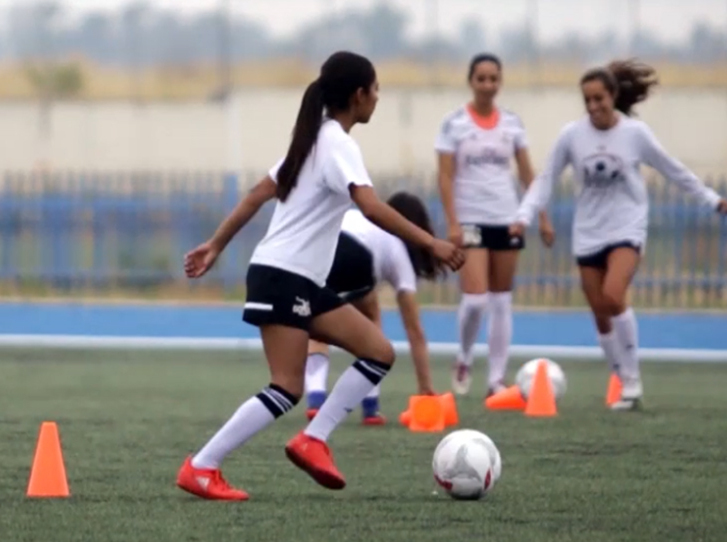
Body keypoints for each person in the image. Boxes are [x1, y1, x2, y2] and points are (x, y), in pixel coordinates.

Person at [176, 51, 465, 501]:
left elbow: (257, 194)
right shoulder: (337, 144)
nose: (377, 99)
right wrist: (431, 243)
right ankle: (202, 466)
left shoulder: (310, 140)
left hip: (299, 280)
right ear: (358, 94)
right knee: (287, 386)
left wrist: (217, 245)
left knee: (378, 352)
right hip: (284, 276)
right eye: (376, 91)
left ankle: (314, 439)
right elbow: (369, 206)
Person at [511, 59, 727, 411]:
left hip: (627, 226)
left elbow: (672, 169)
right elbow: (546, 178)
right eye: (588, 101)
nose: (594, 106)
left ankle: (632, 382)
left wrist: (712, 199)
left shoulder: (634, 134)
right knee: (599, 311)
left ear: (613, 96)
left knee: (613, 296)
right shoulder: (572, 135)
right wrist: (524, 216)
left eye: (600, 98)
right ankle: (621, 374)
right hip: (588, 232)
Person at [436, 53, 556, 399]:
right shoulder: (454, 123)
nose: (488, 85)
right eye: (481, 78)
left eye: (493, 79)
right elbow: (445, 176)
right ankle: (464, 356)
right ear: (471, 81)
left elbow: (527, 173)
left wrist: (540, 216)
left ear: (500, 82)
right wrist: (452, 222)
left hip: (507, 218)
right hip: (470, 219)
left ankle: (496, 380)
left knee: (501, 300)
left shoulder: (513, 124)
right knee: (475, 300)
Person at [304, 194, 445, 426]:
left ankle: (316, 399)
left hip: (321, 246)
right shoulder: (398, 248)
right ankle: (370, 406)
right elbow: (414, 331)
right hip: (358, 257)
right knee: (371, 317)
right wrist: (425, 387)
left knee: (318, 321)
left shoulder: (356, 216)